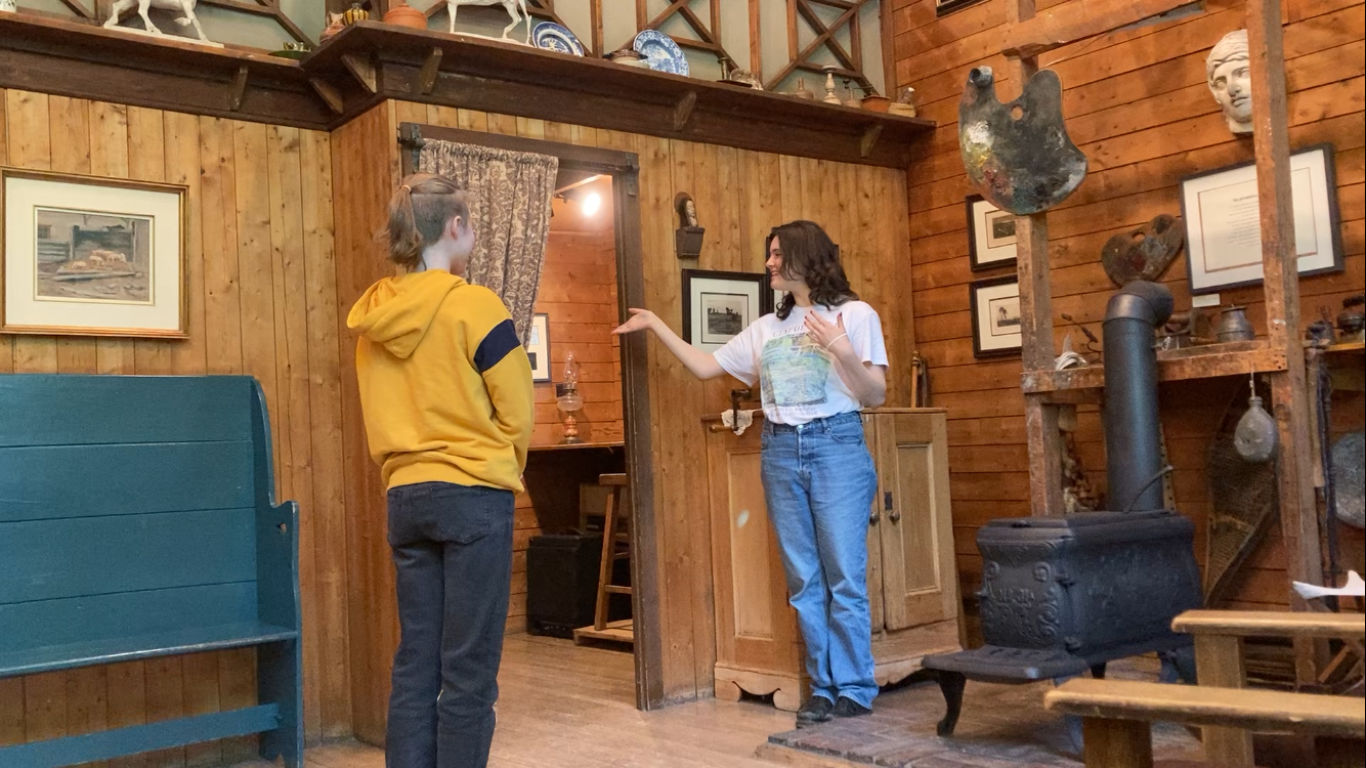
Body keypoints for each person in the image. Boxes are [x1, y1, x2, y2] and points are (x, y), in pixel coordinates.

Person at [613, 219, 887, 725]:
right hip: (779, 449)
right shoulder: (766, 329)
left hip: (836, 446)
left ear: (806, 256)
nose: (770, 263)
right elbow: (704, 367)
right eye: (771, 254)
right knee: (804, 579)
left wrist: (842, 349)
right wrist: (655, 324)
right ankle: (823, 689)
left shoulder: (855, 314)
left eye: (778, 254)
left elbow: (874, 395)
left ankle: (854, 687)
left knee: (845, 576)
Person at [348, 173, 534, 768]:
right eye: (470, 223)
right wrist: (501, 463)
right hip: (474, 495)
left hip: (405, 496)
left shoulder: (374, 317)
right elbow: (518, 410)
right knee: (468, 670)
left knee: (416, 663)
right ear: (456, 226)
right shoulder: (475, 305)